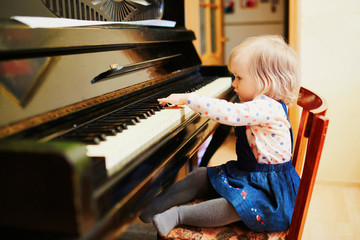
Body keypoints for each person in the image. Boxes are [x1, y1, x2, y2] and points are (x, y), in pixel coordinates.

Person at [139, 35, 301, 237]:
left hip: (268, 191)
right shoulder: (259, 105)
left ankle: (179, 215)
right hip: (249, 175)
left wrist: (190, 99)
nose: (234, 83)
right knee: (201, 175)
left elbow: (230, 113)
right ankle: (153, 206)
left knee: (235, 206)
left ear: (265, 81)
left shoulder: (268, 107)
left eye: (239, 78)